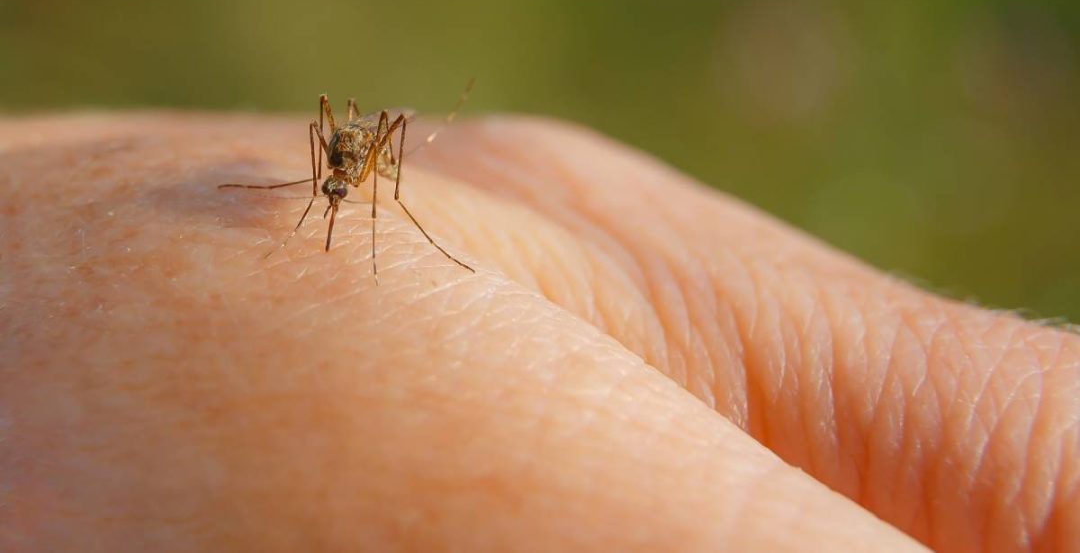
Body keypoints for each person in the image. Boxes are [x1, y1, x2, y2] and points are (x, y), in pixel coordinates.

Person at [2, 113, 1077, 552]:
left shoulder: (366, 163)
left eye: (335, 182)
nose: (333, 193)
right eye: (331, 182)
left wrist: (389, 201)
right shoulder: (324, 167)